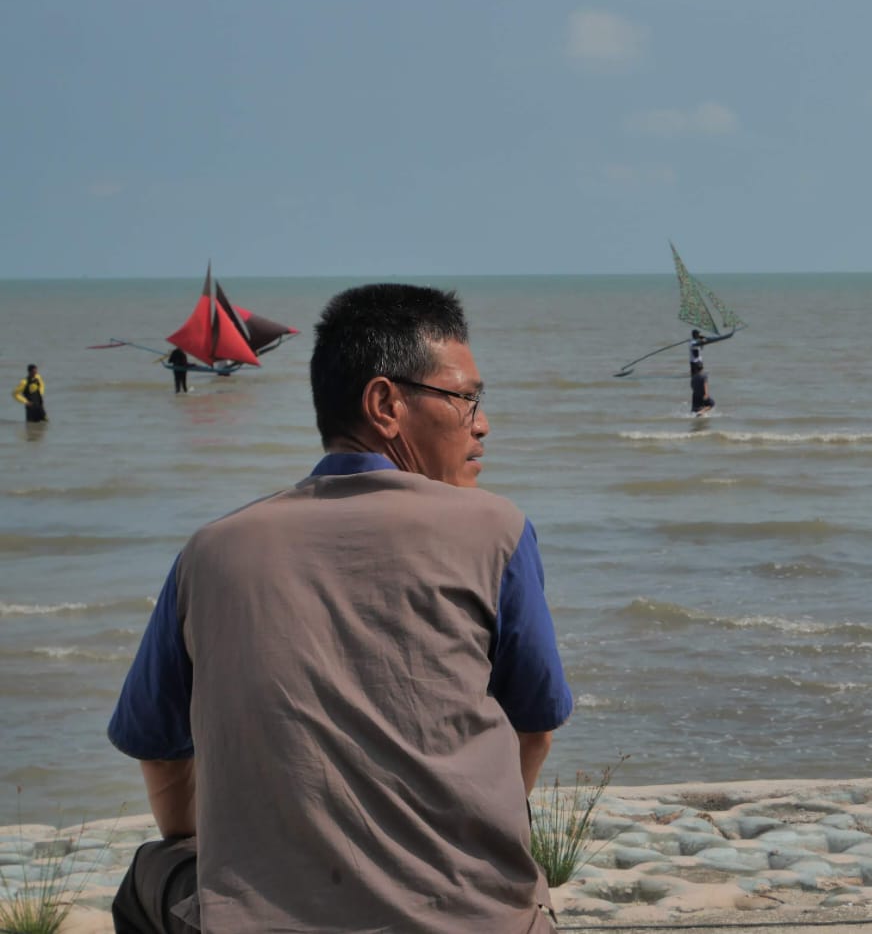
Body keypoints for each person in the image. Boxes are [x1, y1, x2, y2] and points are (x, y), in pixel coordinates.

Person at [107, 284, 573, 933]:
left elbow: (158, 751)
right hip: (479, 920)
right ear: (385, 404)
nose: (482, 423)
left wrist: (205, 853)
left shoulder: (210, 552)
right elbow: (535, 728)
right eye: (465, 397)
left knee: (151, 875)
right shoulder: (498, 530)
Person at [689, 327, 731, 414]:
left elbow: (701, 343)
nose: (699, 335)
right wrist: (703, 340)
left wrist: (702, 338)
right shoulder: (693, 342)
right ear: (695, 335)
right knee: (700, 379)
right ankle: (701, 409)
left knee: (697, 380)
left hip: (698, 362)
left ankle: (698, 408)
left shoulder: (695, 340)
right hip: (695, 363)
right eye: (698, 334)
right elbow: (699, 345)